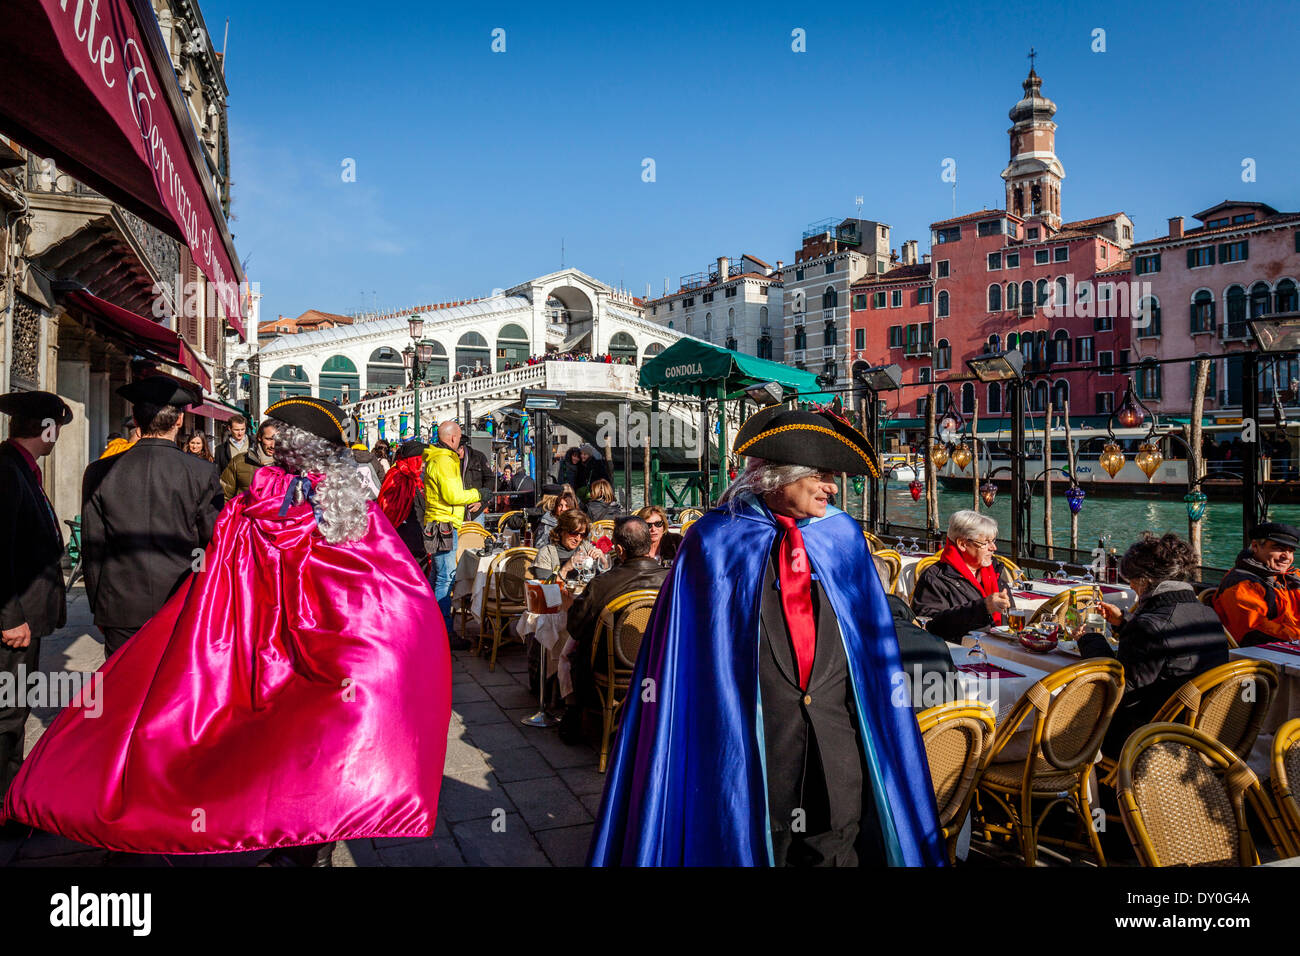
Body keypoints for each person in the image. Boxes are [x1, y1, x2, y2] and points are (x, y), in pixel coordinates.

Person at [2, 396, 452, 864]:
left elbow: (220, 583)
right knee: (321, 741)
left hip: (264, 650)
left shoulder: (248, 509)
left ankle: (291, 840)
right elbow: (397, 592)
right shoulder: (353, 516)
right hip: (335, 655)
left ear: (286, 449)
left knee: (274, 740)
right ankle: (308, 844)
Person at [590, 405, 944, 867]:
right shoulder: (714, 541)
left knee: (836, 848)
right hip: (746, 750)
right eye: (820, 475)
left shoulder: (842, 536)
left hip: (835, 747)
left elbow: (870, 643)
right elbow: (684, 657)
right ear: (778, 477)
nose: (831, 488)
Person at [81, 377, 224, 659]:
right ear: (179, 421)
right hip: (180, 599)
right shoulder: (201, 472)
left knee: (125, 690)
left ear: (135, 419)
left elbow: (93, 544)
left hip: (120, 604)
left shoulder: (98, 471)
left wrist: (99, 606)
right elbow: (212, 542)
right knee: (171, 691)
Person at [1086, 532, 1230, 759]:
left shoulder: (1148, 626)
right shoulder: (1207, 613)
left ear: (1145, 580)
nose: (1130, 585)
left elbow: (1118, 689)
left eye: (1131, 579)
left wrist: (1089, 638)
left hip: (1148, 740)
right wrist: (1124, 623)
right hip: (1205, 732)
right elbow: (1167, 649)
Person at [0, 392, 71, 802]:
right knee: (8, 712)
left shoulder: (22, 468)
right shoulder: (7, 471)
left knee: (15, 707)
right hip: (15, 619)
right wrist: (9, 617)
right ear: (47, 429)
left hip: (26, 616)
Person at [557, 516, 669, 742]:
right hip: (662, 665)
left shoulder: (601, 584)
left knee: (568, 652)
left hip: (611, 666)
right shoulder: (671, 580)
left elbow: (575, 627)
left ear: (618, 549)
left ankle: (573, 713)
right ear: (649, 544)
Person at [911, 510, 1012, 644]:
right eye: (985, 543)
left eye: (993, 541)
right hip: (959, 654)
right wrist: (983, 607)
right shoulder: (935, 578)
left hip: (1000, 650)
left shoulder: (995, 574)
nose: (993, 547)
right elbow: (930, 627)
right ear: (962, 544)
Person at [423, 420, 481, 646]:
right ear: (453, 439)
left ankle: (430, 623)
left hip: (437, 523)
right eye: (459, 439)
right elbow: (453, 495)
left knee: (437, 576)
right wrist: (477, 493)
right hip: (444, 525)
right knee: (445, 579)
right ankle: (443, 632)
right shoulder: (444, 461)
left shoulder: (436, 458)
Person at [1213, 522, 1300, 645]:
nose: (1287, 557)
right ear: (1255, 546)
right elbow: (1255, 630)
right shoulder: (1241, 584)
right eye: (1279, 549)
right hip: (1264, 653)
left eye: (1291, 551)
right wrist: (1296, 635)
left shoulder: (1293, 575)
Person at [378, 439, 431, 572]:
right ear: (414, 460)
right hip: (403, 535)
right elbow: (390, 509)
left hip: (418, 535)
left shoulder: (416, 478)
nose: (423, 465)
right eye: (421, 461)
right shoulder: (397, 475)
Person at [529, 509, 607, 582]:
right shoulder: (546, 553)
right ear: (562, 531)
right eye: (574, 533)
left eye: (582, 535)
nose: (578, 539)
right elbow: (546, 588)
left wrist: (603, 561)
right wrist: (565, 569)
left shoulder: (585, 547)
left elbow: (604, 580)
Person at [220, 421, 278, 501]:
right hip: (243, 512)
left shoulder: (287, 465)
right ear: (259, 437)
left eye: (277, 440)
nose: (273, 445)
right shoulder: (239, 461)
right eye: (268, 439)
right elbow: (224, 495)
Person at [457, 432, 493, 524]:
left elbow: (489, 480)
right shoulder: (449, 459)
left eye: (459, 449)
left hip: (475, 509)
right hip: (456, 510)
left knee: (477, 536)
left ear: (463, 447)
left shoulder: (478, 457)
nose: (457, 453)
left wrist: (481, 502)